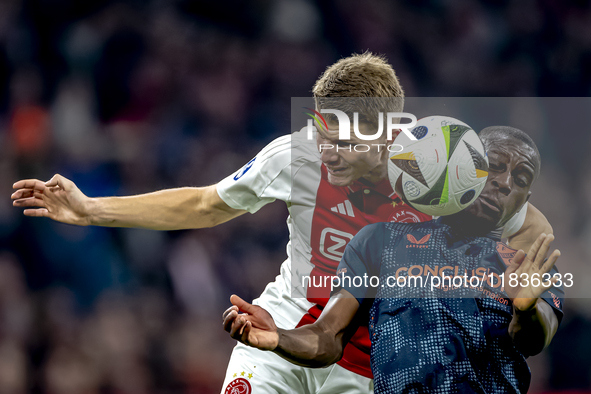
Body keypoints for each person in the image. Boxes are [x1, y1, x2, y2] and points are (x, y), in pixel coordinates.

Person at [12, 53, 551, 393]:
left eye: (340, 136)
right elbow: (205, 204)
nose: (325, 146)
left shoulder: (437, 171)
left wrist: (528, 286)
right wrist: (90, 210)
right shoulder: (295, 157)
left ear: (386, 133)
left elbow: (522, 220)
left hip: (367, 363)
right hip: (282, 322)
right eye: (320, 126)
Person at [222, 126, 565, 393]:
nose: (504, 183)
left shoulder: (528, 266)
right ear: (462, 165)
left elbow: (535, 339)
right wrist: (279, 337)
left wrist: (527, 310)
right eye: (493, 167)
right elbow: (328, 336)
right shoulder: (379, 242)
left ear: (524, 199)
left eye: (519, 180)